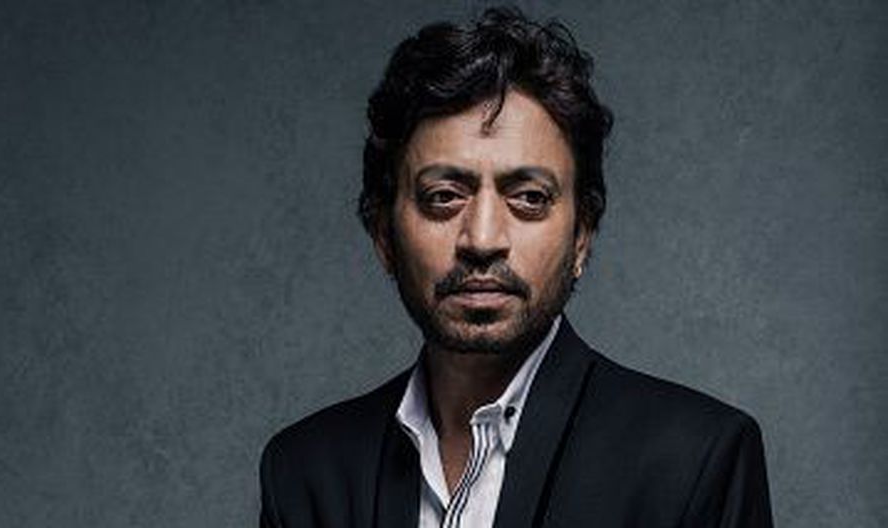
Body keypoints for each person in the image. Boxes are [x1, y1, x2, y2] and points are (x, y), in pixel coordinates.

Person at [259, 6, 773, 528]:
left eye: (529, 197)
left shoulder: (695, 461)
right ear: (383, 235)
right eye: (443, 196)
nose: (483, 240)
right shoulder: (304, 472)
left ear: (582, 236)